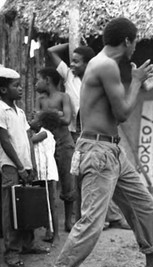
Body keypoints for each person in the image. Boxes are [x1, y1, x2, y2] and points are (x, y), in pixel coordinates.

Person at [35, 17, 153, 267]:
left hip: (112, 151)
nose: (136, 46)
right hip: (98, 152)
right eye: (136, 41)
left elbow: (115, 113)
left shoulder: (107, 67)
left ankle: (152, 261)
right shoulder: (105, 65)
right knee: (91, 224)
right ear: (128, 41)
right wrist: (138, 83)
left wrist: (138, 84)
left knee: (143, 205)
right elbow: (125, 113)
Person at [48, 41, 127, 230]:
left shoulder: (96, 78)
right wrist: (73, 41)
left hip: (96, 134)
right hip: (77, 134)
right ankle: (86, 219)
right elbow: (51, 51)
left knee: (102, 177)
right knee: (81, 178)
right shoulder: (68, 76)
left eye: (76, 61)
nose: (72, 64)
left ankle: (110, 217)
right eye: (71, 61)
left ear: (88, 63)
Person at [0, 66, 49, 267]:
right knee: (10, 208)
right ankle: (12, 250)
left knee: (27, 205)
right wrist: (19, 166)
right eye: (16, 86)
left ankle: (27, 243)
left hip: (24, 165)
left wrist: (31, 165)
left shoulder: (19, 112)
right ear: (3, 90)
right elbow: (4, 141)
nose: (21, 89)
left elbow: (27, 140)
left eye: (20, 85)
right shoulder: (1, 110)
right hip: (10, 166)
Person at [35, 67, 78, 232]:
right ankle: (49, 226)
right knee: (47, 183)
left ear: (47, 80)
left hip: (64, 143)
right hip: (47, 145)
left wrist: (46, 114)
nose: (36, 83)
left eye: (39, 79)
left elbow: (67, 119)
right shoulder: (41, 99)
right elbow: (37, 122)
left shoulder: (63, 96)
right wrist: (55, 113)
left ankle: (69, 221)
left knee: (68, 182)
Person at [30, 112, 60, 245]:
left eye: (33, 118)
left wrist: (25, 128)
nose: (30, 120)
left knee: (51, 204)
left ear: (41, 123)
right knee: (45, 204)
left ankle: (57, 235)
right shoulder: (40, 133)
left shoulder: (45, 133)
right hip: (41, 174)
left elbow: (30, 141)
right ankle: (49, 231)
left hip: (48, 173)